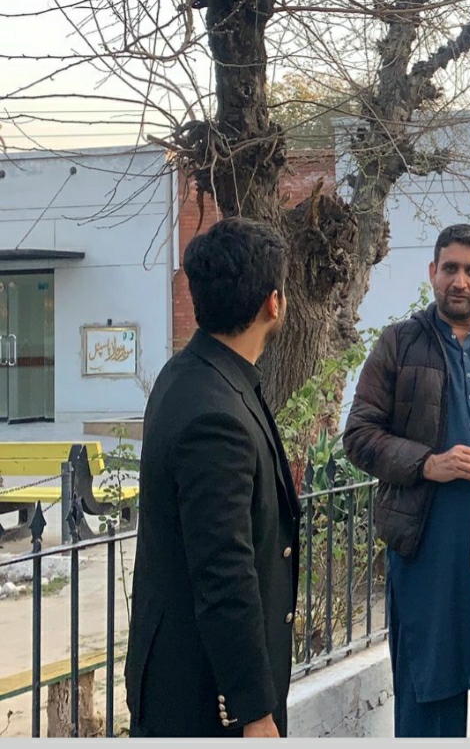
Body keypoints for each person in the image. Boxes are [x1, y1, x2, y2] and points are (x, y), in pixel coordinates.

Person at [343, 224, 470, 738]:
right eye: (450, 268)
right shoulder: (399, 344)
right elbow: (359, 435)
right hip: (426, 555)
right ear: (432, 272)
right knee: (428, 703)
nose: (459, 280)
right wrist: (427, 463)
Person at [125, 217, 300, 738]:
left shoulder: (193, 373)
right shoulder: (214, 413)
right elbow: (224, 571)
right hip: (204, 697)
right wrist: (255, 711)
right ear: (274, 303)